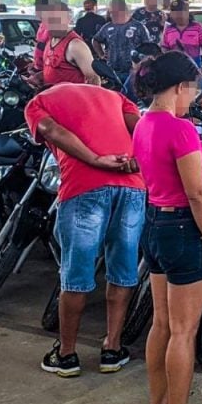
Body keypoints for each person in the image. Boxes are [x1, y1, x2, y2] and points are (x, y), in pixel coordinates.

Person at [132, 52, 202, 404]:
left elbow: (172, 176)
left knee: (162, 324)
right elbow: (197, 196)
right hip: (184, 228)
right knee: (184, 331)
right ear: (178, 87)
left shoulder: (143, 122)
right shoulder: (181, 129)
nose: (196, 95)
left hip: (155, 222)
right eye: (194, 87)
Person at [24, 83, 146, 378]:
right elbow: (142, 130)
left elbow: (52, 131)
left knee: (76, 274)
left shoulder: (37, 102)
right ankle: (112, 348)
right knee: (123, 266)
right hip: (131, 186)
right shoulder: (116, 96)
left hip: (83, 187)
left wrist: (94, 159)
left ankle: (66, 354)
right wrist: (135, 162)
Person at [40, 1, 101, 86]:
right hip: (51, 97)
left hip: (70, 98)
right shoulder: (50, 41)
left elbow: (94, 78)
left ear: (68, 19)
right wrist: (38, 76)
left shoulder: (75, 45)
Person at [93, 0, 151, 87]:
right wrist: (101, 54)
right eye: (111, 12)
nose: (112, 14)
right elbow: (96, 40)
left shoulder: (139, 27)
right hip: (113, 72)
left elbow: (149, 48)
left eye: (114, 11)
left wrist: (141, 64)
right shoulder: (107, 27)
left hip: (133, 72)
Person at [162, 0, 202, 81]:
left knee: (194, 93)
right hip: (174, 73)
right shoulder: (168, 30)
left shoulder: (197, 27)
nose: (178, 16)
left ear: (187, 12)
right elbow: (164, 51)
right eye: (175, 13)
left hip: (193, 72)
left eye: (181, 13)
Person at [32, 0, 50, 72]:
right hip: (39, 65)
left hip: (47, 67)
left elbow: (52, 47)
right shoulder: (42, 24)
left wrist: (37, 44)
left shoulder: (51, 26)